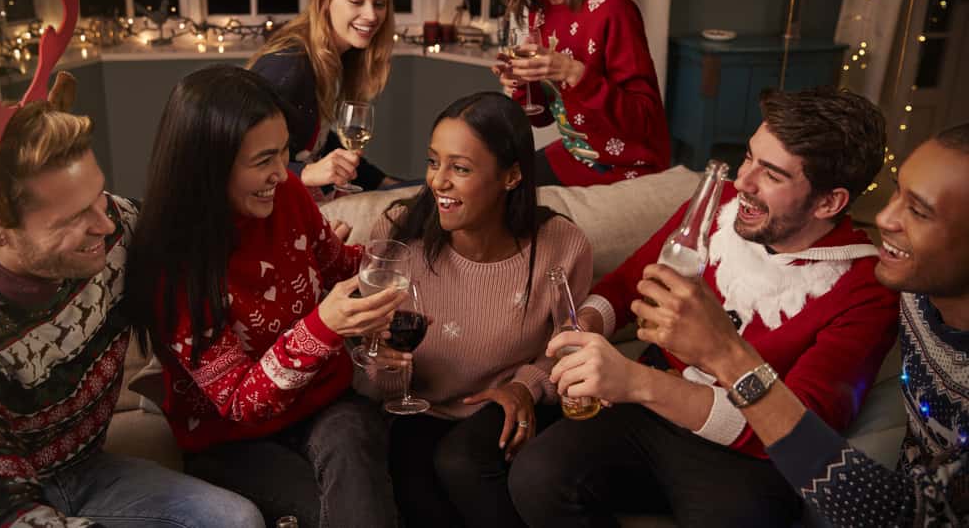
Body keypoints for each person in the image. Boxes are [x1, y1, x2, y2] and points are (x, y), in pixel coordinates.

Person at [508, 87, 900, 526]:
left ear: (830, 202)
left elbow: (801, 429)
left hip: (749, 458)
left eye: (770, 174)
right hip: (651, 412)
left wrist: (634, 380)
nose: (743, 183)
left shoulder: (869, 291)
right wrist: (583, 326)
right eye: (748, 157)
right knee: (535, 476)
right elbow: (628, 283)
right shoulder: (718, 210)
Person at [632, 122, 969, 526]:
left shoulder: (871, 286)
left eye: (918, 210)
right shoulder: (915, 292)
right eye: (896, 192)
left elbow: (898, 516)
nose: (882, 218)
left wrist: (725, 353)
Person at [0, 89, 264, 526]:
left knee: (236, 520)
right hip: (2, 499)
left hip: (88, 470)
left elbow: (204, 233)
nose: (105, 224)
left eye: (99, 195)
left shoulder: (117, 230)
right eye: (71, 219)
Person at [123, 66, 402, 526]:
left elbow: (338, 264)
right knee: (328, 513)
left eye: (285, 153)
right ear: (209, 166)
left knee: (357, 462)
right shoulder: (174, 265)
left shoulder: (289, 195)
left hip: (327, 406)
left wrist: (408, 260)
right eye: (263, 160)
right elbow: (239, 404)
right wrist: (323, 327)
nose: (284, 173)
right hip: (231, 439)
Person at [362, 92, 593, 527]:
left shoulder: (561, 245)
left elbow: (570, 347)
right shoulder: (396, 237)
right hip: (419, 414)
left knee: (462, 462)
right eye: (434, 162)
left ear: (511, 176)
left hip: (506, 410)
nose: (438, 182)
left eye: (460, 168)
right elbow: (378, 372)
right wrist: (386, 360)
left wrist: (526, 386)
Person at [492, 0, 670, 187]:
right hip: (578, 154)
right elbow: (543, 119)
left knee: (507, 204)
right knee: (492, 186)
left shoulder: (612, 7)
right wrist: (523, 83)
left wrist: (573, 72)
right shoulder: (542, 12)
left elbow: (644, 120)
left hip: (626, 166)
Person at [248, 0, 400, 194]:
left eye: (380, 3)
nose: (372, 15)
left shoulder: (334, 56)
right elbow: (237, 155)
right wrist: (306, 173)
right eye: (356, 1)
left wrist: (383, 183)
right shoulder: (289, 65)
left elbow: (320, 142)